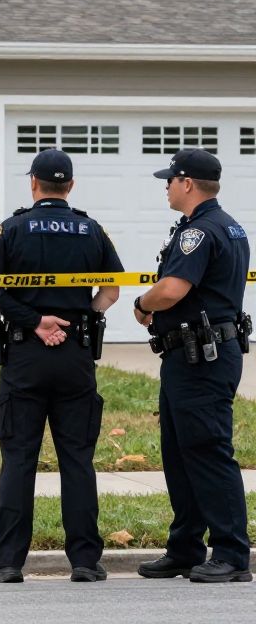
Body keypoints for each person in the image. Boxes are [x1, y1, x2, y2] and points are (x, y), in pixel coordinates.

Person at [0, 149, 122, 583]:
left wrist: (35, 322)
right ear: (70, 186)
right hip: (75, 355)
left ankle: (8, 563)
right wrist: (77, 322)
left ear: (33, 184)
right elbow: (112, 290)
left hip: (25, 356)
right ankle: (85, 561)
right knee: (77, 460)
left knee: (19, 459)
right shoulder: (92, 230)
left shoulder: (12, 228)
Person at [133, 148, 252, 584]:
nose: (166, 187)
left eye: (169, 180)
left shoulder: (199, 232)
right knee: (181, 454)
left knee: (207, 451)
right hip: (193, 354)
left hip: (202, 358)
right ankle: (185, 549)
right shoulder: (228, 225)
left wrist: (142, 303)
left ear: (187, 183)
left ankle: (232, 555)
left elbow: (172, 289)